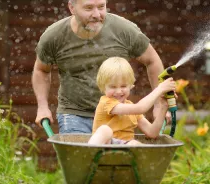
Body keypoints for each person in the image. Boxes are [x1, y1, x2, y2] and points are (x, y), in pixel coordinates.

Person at [32, 0, 170, 134]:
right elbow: (41, 70)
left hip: (118, 112)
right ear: (72, 8)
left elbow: (152, 61)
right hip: (74, 114)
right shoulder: (54, 36)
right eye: (89, 8)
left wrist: (159, 105)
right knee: (82, 156)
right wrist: (43, 107)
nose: (97, 14)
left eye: (101, 7)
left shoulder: (123, 30)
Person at [88, 57, 176, 145]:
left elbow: (152, 133)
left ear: (131, 86)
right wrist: (159, 89)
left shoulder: (131, 108)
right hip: (104, 146)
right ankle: (90, 152)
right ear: (103, 87)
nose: (118, 91)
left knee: (135, 143)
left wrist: (164, 106)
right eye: (113, 87)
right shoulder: (106, 103)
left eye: (123, 86)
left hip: (125, 150)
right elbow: (140, 108)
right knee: (105, 130)